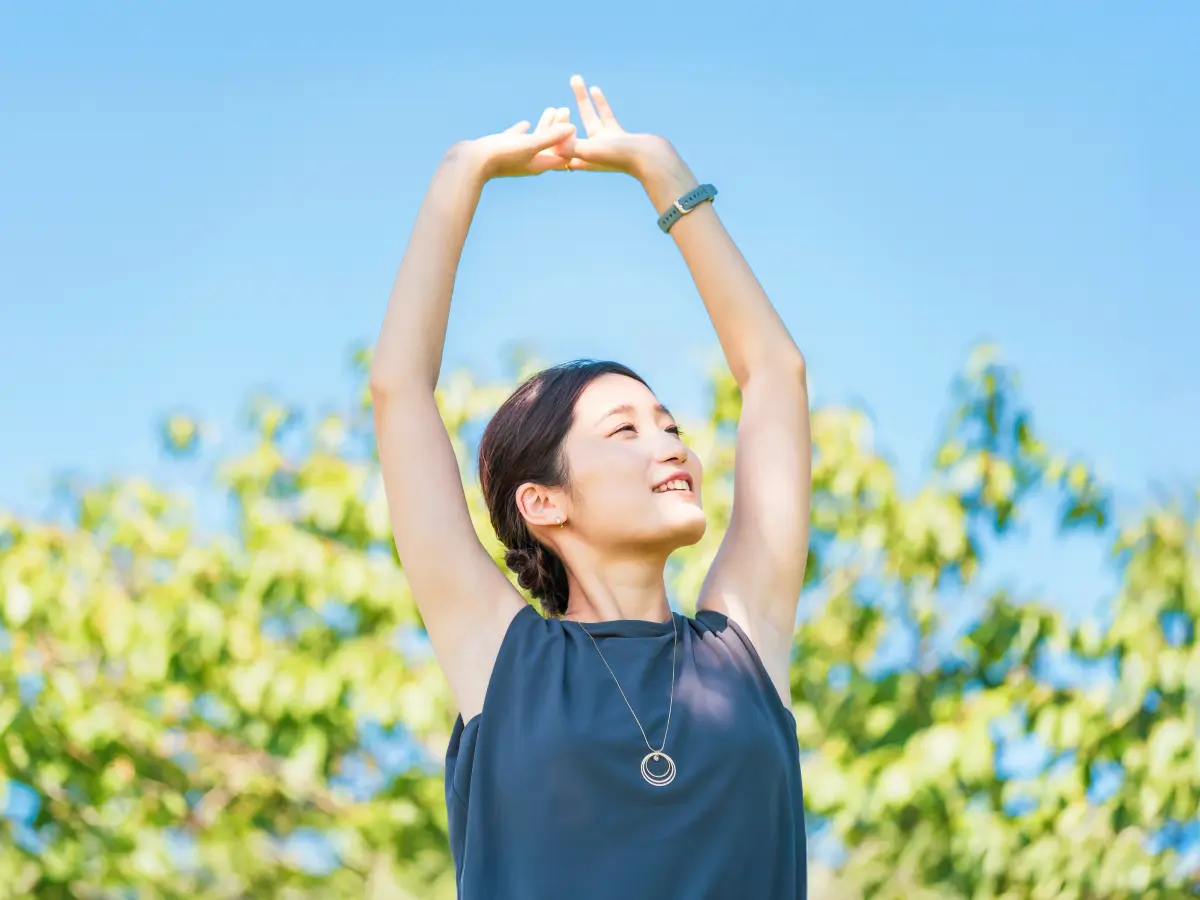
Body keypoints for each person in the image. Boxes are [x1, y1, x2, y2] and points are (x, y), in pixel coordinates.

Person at [369, 74, 812, 900]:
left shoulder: (743, 646)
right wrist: (461, 173)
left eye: (669, 426)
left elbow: (775, 376)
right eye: (625, 431)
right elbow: (399, 391)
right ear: (544, 502)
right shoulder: (503, 659)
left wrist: (663, 172)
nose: (671, 446)